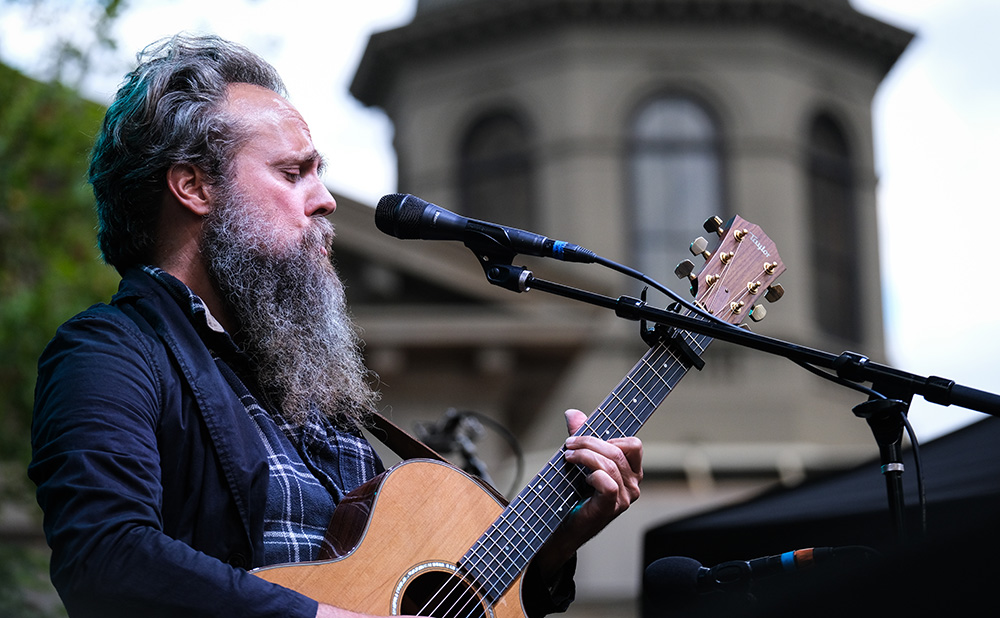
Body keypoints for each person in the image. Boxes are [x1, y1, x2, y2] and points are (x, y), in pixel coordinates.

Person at [28, 33, 643, 618]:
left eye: (319, 173)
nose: (325, 200)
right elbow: (104, 557)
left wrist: (558, 543)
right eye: (294, 173)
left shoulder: (312, 394)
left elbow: (422, 597)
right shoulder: (112, 352)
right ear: (193, 187)